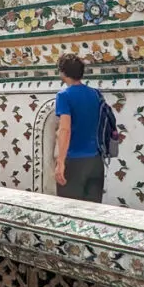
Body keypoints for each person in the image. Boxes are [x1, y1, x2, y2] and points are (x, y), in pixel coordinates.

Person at [54, 53, 105, 203]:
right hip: (95, 161)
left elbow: (65, 130)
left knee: (70, 212)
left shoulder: (64, 96)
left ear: (63, 72)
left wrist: (60, 162)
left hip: (74, 161)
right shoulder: (95, 94)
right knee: (92, 212)